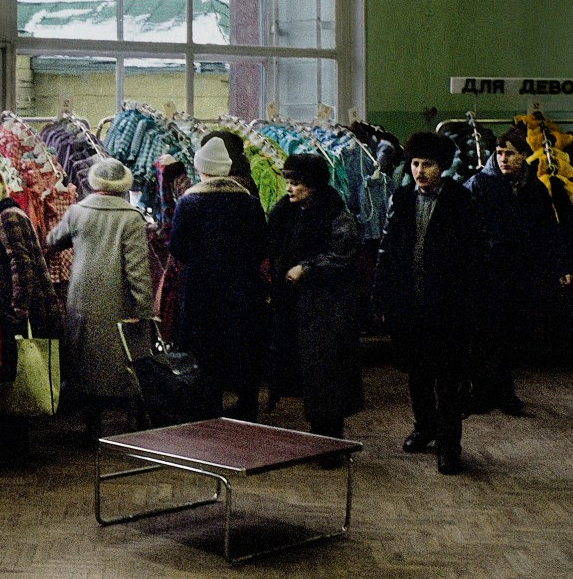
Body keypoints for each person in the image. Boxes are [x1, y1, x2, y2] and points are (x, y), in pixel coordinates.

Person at [373, 131, 481, 475]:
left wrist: (468, 304)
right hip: (411, 304)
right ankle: (424, 428)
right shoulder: (402, 197)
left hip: (447, 307)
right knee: (417, 373)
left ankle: (449, 445)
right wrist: (382, 295)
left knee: (448, 378)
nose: (420, 170)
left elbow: (474, 258)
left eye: (428, 164)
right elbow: (388, 249)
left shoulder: (461, 201)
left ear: (442, 167)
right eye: (416, 163)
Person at [463, 125, 572, 415]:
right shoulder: (478, 184)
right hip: (485, 272)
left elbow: (548, 230)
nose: (503, 159)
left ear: (523, 155)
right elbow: (463, 229)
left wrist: (557, 266)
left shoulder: (533, 189)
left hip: (518, 272)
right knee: (483, 334)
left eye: (509, 154)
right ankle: (482, 392)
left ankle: (504, 391)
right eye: (499, 153)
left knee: (507, 334)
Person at [46, 158, 152, 443]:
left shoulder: (77, 212)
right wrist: (144, 308)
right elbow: (137, 268)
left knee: (86, 362)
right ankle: (133, 427)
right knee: (127, 361)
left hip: (81, 297)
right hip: (120, 300)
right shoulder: (131, 217)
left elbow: (52, 241)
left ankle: (91, 428)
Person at [167, 135, 268, 422]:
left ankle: (209, 411)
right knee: (243, 347)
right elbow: (262, 244)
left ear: (201, 169)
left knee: (205, 351)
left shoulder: (189, 203)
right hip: (243, 288)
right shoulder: (247, 202)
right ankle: (248, 407)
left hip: (201, 289)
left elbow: (177, 247)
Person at [267, 152, 364, 444]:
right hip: (295, 305)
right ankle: (318, 431)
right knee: (309, 370)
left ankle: (328, 436)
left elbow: (342, 255)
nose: (289, 189)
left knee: (325, 370)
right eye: (288, 182)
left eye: (296, 183)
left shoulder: (336, 214)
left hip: (327, 306)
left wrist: (306, 269)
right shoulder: (284, 212)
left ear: (313, 185)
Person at [0, 165, 60, 466]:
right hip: (14, 305)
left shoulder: (7, 217)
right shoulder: (4, 215)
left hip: (24, 309)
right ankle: (9, 441)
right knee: (9, 372)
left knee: (17, 371)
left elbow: (21, 264)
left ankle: (15, 444)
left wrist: (19, 308)